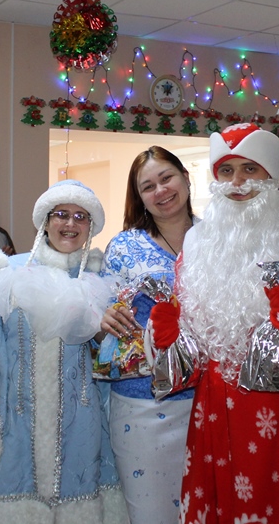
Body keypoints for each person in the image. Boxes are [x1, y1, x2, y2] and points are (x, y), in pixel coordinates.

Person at [150, 123, 279, 524]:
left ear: (270, 174)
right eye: (226, 172)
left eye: (250, 169)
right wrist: (170, 337)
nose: (238, 183)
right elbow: (189, 352)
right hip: (216, 412)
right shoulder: (197, 247)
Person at [0, 179, 125, 523]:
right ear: (46, 220)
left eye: (81, 216)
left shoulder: (102, 283)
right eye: (61, 214)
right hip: (16, 419)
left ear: (91, 226)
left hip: (81, 425)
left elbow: (113, 359)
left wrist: (106, 338)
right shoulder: (11, 273)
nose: (70, 224)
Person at [99, 146, 197, 524]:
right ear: (139, 197)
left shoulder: (215, 239)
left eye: (167, 178)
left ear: (185, 177)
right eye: (148, 186)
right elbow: (105, 314)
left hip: (209, 400)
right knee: (151, 514)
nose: (161, 191)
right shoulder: (125, 247)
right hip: (142, 404)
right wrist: (104, 316)